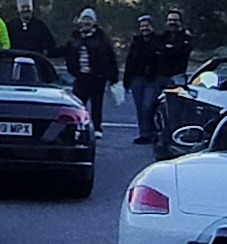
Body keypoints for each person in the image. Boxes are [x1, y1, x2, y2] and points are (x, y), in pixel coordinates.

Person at [143, 9, 195, 143]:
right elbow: (157, 50)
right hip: (159, 76)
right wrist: (168, 50)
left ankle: (174, 135)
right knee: (149, 105)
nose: (172, 23)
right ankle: (150, 134)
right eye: (170, 20)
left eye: (175, 20)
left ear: (180, 22)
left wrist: (167, 50)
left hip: (177, 77)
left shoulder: (185, 38)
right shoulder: (163, 36)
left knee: (175, 108)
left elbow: (180, 52)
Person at [64, 8, 121, 129]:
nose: (86, 22)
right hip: (80, 76)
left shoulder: (101, 37)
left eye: (89, 19)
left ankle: (97, 128)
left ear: (94, 22)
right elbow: (67, 51)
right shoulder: (75, 36)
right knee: (78, 104)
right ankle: (78, 127)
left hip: (97, 77)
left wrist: (113, 76)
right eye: (84, 19)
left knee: (96, 104)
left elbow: (110, 56)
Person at [123, 14, 164, 143]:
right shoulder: (136, 43)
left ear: (152, 27)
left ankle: (152, 132)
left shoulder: (159, 41)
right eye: (142, 26)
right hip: (137, 79)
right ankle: (144, 134)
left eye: (147, 26)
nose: (144, 28)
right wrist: (127, 80)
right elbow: (130, 61)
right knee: (140, 107)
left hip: (153, 80)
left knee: (148, 106)